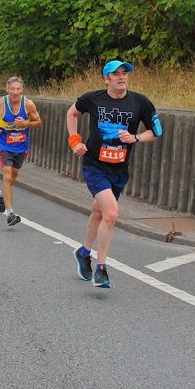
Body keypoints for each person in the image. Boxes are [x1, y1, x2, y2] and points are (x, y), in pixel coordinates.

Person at [67, 60, 159, 288]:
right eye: (115, 74)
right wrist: (74, 140)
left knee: (99, 213)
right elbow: (72, 113)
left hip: (119, 168)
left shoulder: (140, 102)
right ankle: (101, 269)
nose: (121, 77)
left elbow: (156, 131)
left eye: (124, 73)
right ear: (106, 79)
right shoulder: (92, 98)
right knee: (111, 214)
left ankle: (84, 252)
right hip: (94, 165)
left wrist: (136, 137)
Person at [0, 76, 42, 225]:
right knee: (7, 175)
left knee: (13, 177)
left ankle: (0, 193)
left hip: (21, 146)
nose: (15, 92)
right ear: (7, 89)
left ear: (22, 90)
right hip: (4, 144)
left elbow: (38, 122)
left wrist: (26, 123)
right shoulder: (0, 103)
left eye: (18, 89)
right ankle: (10, 213)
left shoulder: (29, 105)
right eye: (12, 89)